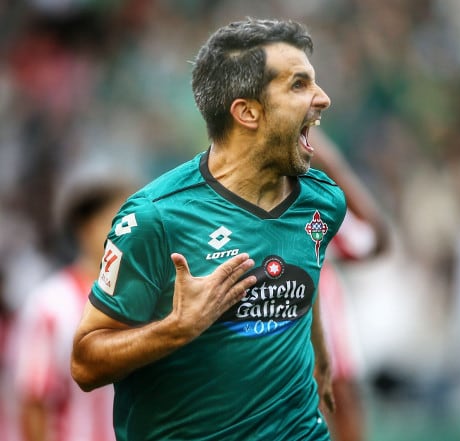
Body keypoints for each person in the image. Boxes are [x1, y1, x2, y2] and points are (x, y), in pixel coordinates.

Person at [70, 18, 345, 441]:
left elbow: (308, 265)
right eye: (298, 84)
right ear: (247, 111)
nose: (322, 98)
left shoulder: (322, 200)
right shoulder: (153, 218)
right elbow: (85, 364)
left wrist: (321, 350)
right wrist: (175, 329)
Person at [12, 170, 133, 441]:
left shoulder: (148, 299)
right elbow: (34, 401)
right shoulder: (51, 304)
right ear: (86, 227)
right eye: (120, 221)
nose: (132, 232)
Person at [311, 130, 390, 441]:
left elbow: (375, 241)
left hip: (328, 340)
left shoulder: (315, 212)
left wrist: (334, 165)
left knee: (340, 401)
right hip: (281, 347)